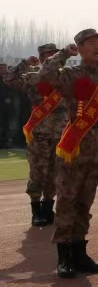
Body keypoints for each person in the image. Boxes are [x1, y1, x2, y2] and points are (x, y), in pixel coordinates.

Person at [39, 29, 98, 278]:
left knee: (85, 202)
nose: (97, 47)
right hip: (75, 147)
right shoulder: (70, 74)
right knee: (67, 200)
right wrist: (63, 54)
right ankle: (64, 257)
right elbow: (45, 76)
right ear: (80, 48)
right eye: (91, 43)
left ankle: (80, 253)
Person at [4, 43, 68, 226]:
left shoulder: (66, 77)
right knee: (38, 172)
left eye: (55, 54)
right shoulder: (34, 77)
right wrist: (25, 63)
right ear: (41, 59)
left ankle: (48, 208)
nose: (53, 58)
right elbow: (8, 78)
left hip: (61, 132)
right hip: (40, 133)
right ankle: (36, 211)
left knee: (55, 173)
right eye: (49, 55)